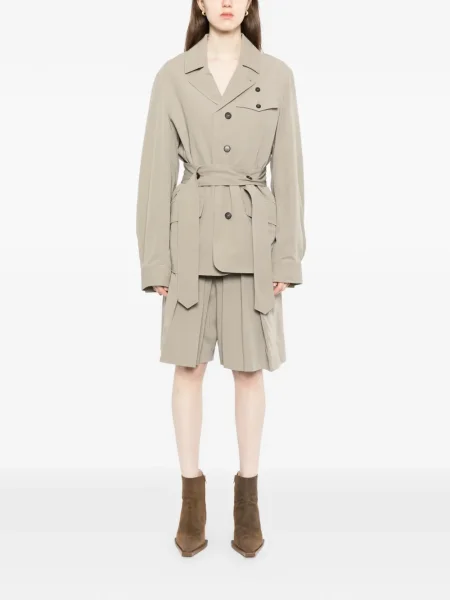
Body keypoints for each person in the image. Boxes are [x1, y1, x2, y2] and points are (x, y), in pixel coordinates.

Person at [136, 0, 306, 558]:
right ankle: (191, 501)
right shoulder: (173, 75)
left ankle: (247, 502)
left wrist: (287, 257)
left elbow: (290, 171)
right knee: (188, 367)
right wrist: (155, 261)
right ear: (200, 3)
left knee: (250, 370)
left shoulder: (276, 75)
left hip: (256, 244)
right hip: (189, 240)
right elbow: (155, 172)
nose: (227, 1)